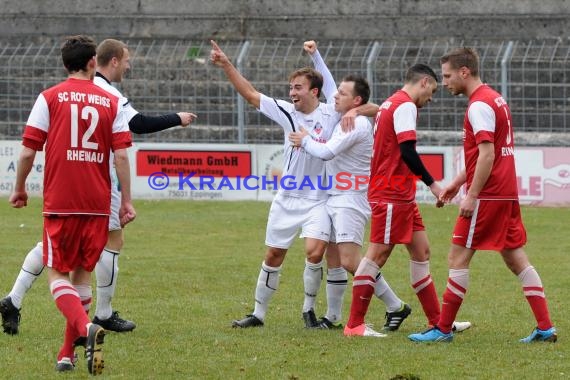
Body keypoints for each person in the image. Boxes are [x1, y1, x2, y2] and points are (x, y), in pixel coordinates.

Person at [0, 39, 197, 336]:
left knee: (57, 243)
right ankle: (99, 316)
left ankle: (14, 301)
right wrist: (177, 118)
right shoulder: (105, 93)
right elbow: (138, 125)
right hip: (97, 179)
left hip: (74, 182)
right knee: (106, 243)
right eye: (126, 60)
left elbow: (31, 149)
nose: (128, 66)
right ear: (110, 61)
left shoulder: (69, 93)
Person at [408, 48, 557, 343]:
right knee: (515, 258)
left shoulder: (478, 106)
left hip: (488, 196)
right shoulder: (494, 98)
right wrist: (455, 184)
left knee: (457, 257)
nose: (445, 82)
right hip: (505, 193)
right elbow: (483, 154)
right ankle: (545, 327)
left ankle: (443, 329)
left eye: (448, 75)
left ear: (465, 72)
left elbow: (487, 154)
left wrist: (472, 194)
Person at [8, 35, 135, 374]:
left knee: (56, 272)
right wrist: (126, 201)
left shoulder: (50, 97)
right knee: (81, 278)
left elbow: (27, 150)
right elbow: (121, 155)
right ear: (94, 62)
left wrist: (19, 188)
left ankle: (85, 329)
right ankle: (67, 355)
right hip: (97, 202)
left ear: (65, 65)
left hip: (62, 201)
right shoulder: (111, 101)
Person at [210, 39, 347, 328]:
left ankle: (308, 309)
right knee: (273, 255)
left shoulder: (331, 112)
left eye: (297, 87)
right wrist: (226, 64)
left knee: (315, 251)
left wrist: (317, 55)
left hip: (318, 198)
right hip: (287, 198)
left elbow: (336, 87)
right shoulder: (286, 111)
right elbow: (249, 93)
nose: (291, 92)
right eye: (291, 88)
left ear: (314, 91)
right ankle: (258, 314)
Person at [289, 41, 410, 333]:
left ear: (355, 102)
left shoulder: (354, 125)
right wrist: (315, 55)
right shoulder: (347, 115)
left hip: (351, 198)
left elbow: (326, 152)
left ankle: (396, 305)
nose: (335, 96)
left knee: (351, 260)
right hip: (335, 195)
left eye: (342, 94)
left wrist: (304, 139)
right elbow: (331, 85)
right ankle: (332, 317)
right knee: (334, 258)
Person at [342, 63, 471, 337]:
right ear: (424, 82)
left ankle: (438, 322)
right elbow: (407, 152)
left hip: (400, 195)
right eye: (433, 90)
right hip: (391, 194)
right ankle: (354, 325)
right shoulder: (406, 106)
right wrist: (434, 185)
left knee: (421, 251)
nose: (432, 98)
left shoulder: (390, 103)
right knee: (377, 254)